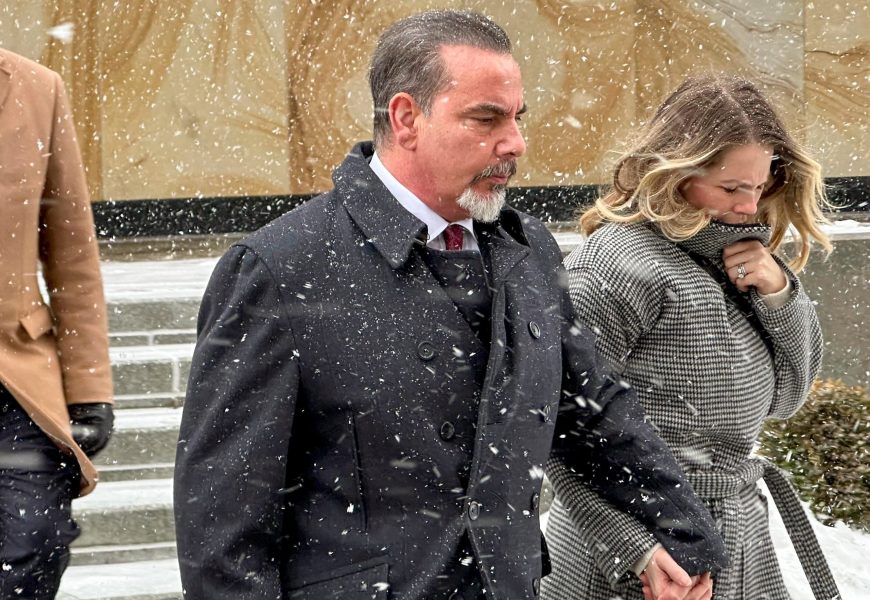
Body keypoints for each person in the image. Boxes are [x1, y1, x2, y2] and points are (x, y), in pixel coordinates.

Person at [174, 11, 726, 600]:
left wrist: (686, 537)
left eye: (516, 118)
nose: (515, 143)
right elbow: (223, 528)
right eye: (485, 119)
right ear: (406, 118)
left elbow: (591, 413)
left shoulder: (529, 251)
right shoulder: (280, 269)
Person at [542, 74, 841, 600]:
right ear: (675, 173)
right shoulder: (616, 265)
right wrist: (637, 550)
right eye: (732, 188)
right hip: (640, 561)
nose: (749, 206)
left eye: (760, 186)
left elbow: (788, 399)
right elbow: (552, 425)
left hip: (738, 541)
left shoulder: (740, 259)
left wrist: (779, 294)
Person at [0, 48, 114, 598]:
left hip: (15, 379)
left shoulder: (36, 88)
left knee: (35, 539)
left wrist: (90, 389)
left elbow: (72, 257)